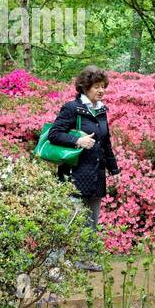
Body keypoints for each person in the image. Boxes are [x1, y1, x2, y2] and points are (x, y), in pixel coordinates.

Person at [47, 66, 119, 270]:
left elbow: (106, 143)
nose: (101, 90)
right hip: (74, 173)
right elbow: (54, 134)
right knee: (68, 220)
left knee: (91, 221)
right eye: (96, 86)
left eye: (103, 87)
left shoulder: (101, 110)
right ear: (84, 87)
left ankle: (85, 260)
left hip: (95, 174)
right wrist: (77, 140)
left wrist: (114, 170)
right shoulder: (72, 108)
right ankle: (53, 263)